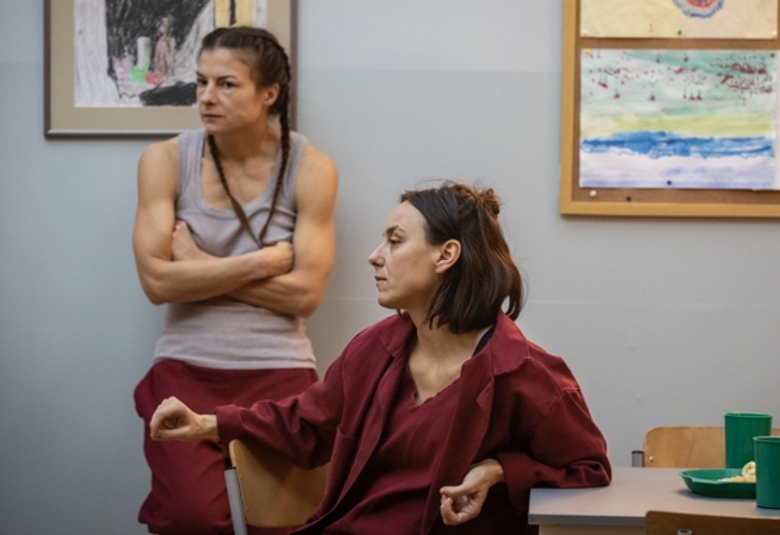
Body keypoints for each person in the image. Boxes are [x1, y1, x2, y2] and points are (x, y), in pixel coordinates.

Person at [149, 182, 611, 535]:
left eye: (394, 241)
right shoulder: (373, 349)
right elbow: (307, 422)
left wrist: (499, 470)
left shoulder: (526, 373)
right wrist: (206, 423)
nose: (374, 257)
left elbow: (589, 470)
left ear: (446, 255)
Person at [132, 26, 338, 535]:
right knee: (190, 518)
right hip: (185, 369)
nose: (206, 97)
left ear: (269, 93)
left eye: (226, 84)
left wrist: (196, 264)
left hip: (280, 372)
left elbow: (305, 295)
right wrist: (264, 263)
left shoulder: (311, 168)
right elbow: (157, 282)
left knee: (286, 522)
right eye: (201, 82)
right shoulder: (165, 160)